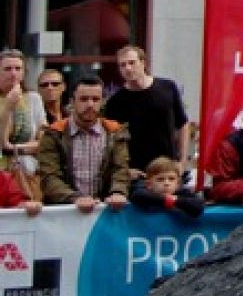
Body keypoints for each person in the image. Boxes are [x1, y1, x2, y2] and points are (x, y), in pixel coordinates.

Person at [37, 76, 130, 212]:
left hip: (103, 213)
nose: (90, 104)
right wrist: (75, 198)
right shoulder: (54, 133)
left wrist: (118, 192)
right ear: (72, 102)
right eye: (84, 99)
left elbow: (120, 169)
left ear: (103, 102)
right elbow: (49, 177)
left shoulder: (114, 132)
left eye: (95, 99)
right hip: (64, 212)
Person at [103, 44, 190, 175]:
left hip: (168, 170)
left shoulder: (167, 88)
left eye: (132, 63)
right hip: (137, 173)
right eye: (123, 65)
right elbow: (110, 142)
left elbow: (183, 124)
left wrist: (182, 161)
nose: (128, 68)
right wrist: (125, 170)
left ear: (143, 62)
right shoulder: (115, 102)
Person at [0, 50, 45, 193]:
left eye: (18, 68)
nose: (13, 74)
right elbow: (2, 143)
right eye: (7, 69)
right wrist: (8, 107)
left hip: (28, 173)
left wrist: (14, 148)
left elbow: (44, 141)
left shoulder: (33, 99)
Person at [129, 156, 205, 218]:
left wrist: (175, 200)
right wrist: (169, 200)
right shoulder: (143, 192)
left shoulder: (182, 192)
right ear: (149, 184)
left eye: (171, 179)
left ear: (177, 183)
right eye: (160, 179)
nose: (166, 183)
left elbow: (198, 206)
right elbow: (138, 195)